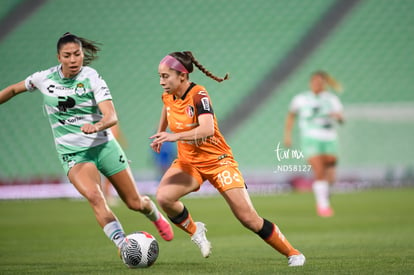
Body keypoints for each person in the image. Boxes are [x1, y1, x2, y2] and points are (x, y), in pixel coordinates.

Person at [0, 33, 174, 254]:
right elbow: (15, 89)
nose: (73, 60)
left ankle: (155, 215)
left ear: (83, 54)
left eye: (77, 54)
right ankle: (124, 245)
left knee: (134, 203)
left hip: (104, 147)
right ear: (58, 57)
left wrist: (98, 126)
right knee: (95, 196)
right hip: (73, 154)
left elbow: (111, 116)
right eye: (67, 55)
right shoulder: (43, 78)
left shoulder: (91, 77)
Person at [150, 51, 305, 267]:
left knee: (248, 218)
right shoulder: (168, 95)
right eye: (160, 76)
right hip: (189, 163)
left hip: (219, 162)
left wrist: (172, 136)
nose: (161, 81)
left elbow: (207, 129)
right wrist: (160, 133)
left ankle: (293, 253)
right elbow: (167, 109)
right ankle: (196, 231)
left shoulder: (199, 94)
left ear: (182, 76)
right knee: (165, 198)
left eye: (166, 76)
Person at [284, 71, 344, 217]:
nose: (316, 85)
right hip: (310, 137)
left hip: (329, 137)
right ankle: (323, 206)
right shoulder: (300, 99)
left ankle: (325, 193)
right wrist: (287, 136)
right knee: (318, 170)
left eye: (319, 82)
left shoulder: (332, 100)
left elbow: (342, 119)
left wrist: (338, 117)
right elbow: (291, 116)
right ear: (310, 83)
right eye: (314, 82)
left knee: (331, 174)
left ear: (324, 84)